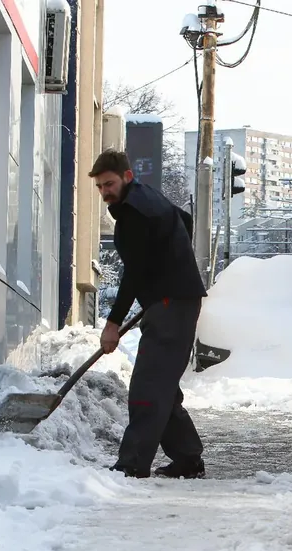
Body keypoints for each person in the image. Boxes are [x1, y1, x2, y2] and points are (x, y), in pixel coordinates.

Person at [90, 149, 208, 479]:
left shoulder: (134, 213)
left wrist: (112, 324)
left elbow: (134, 275)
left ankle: (131, 464)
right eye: (99, 187)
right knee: (162, 385)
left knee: (147, 386)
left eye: (109, 184)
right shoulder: (147, 199)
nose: (105, 193)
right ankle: (187, 459)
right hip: (174, 299)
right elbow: (182, 220)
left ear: (127, 176)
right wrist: (171, 262)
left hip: (171, 303)